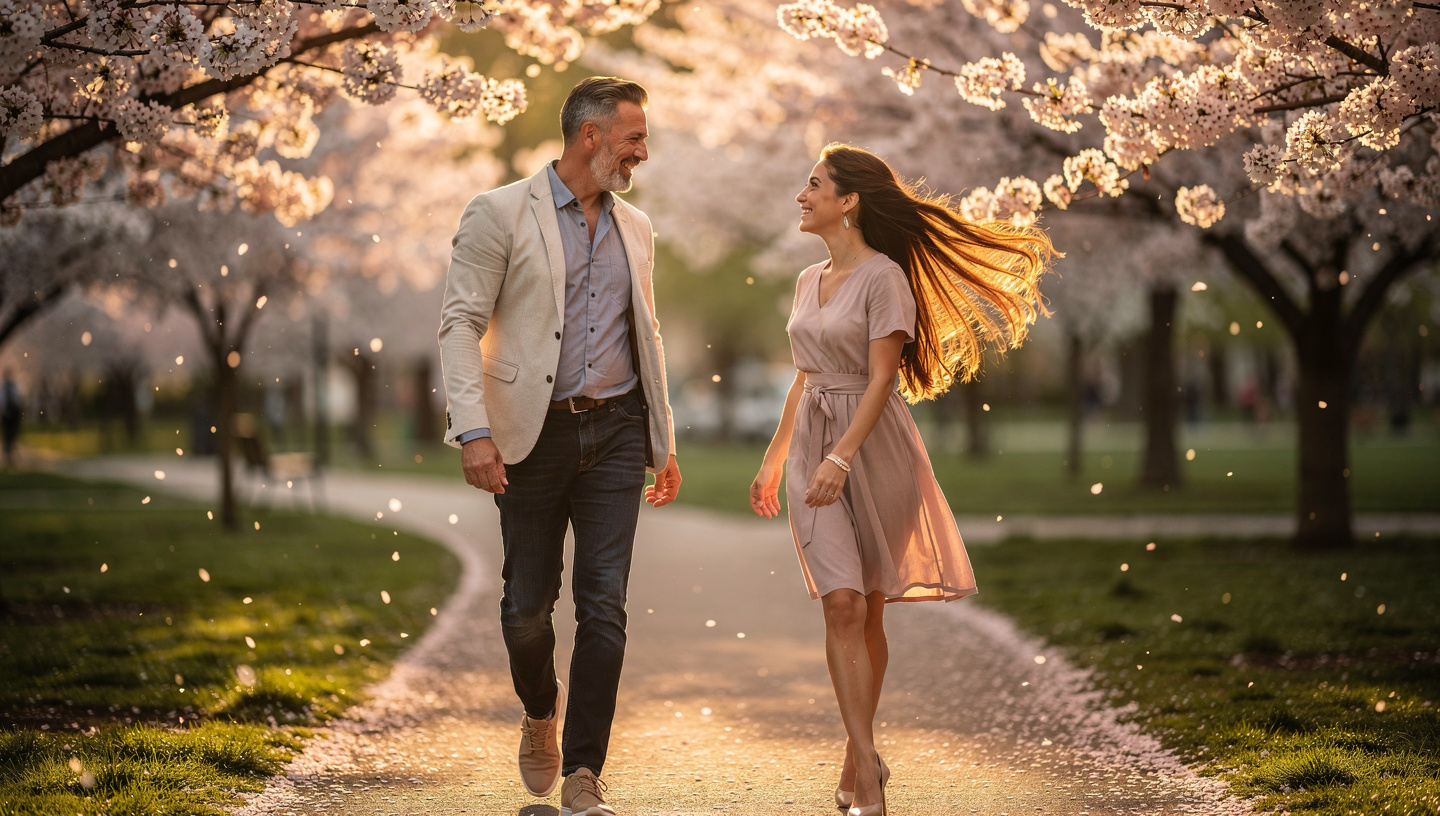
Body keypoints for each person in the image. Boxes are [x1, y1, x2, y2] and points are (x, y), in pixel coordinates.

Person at [749, 144, 1054, 816]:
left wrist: (841, 458)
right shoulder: (806, 280)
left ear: (848, 200)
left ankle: (854, 755)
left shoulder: (885, 278)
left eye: (814, 185)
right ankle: (870, 769)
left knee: (870, 605)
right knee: (842, 604)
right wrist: (776, 456)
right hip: (811, 450)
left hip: (875, 449)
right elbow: (804, 375)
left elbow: (883, 378)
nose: (802, 196)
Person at [437, 76, 683, 816]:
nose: (643, 152)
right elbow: (460, 324)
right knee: (526, 609)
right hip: (530, 435)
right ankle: (540, 709)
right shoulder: (499, 212)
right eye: (634, 138)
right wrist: (473, 430)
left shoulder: (636, 226)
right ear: (591, 136)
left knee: (604, 605)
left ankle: (584, 771)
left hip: (617, 429)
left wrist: (662, 440)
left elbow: (646, 333)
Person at [1, 370, 21, 468]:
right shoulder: (4, 389)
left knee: (12, 435)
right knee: (7, 435)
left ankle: (11, 455)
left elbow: (18, 400)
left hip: (13, 416)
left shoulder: (14, 388)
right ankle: (8, 456)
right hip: (7, 416)